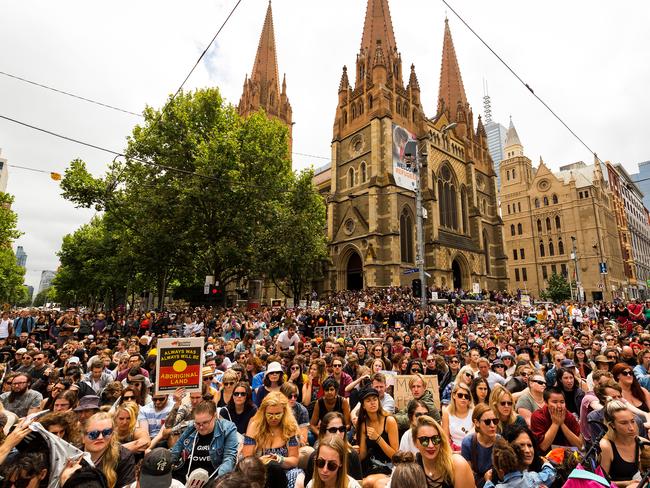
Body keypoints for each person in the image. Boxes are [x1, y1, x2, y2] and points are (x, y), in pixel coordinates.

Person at [243, 391, 304, 488]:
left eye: (278, 414)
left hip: (285, 471)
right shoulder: (255, 426)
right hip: (260, 472)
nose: (274, 418)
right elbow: (247, 459)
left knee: (298, 479)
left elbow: (294, 460)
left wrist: (280, 459)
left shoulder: (290, 427)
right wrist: (260, 461)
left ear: (284, 412)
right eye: (270, 414)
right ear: (263, 412)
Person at [170, 400, 238, 483]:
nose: (201, 427)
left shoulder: (227, 429)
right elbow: (175, 450)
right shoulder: (191, 427)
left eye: (205, 423)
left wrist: (219, 481)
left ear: (215, 417)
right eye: (198, 423)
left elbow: (229, 458)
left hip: (213, 478)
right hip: (184, 477)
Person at [412, 415, 475, 488]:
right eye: (424, 440)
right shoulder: (412, 468)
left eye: (435, 439)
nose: (431, 445)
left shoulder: (457, 465)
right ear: (415, 443)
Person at [305, 412, 363, 486]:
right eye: (333, 430)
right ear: (323, 432)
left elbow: (359, 482)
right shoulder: (314, 456)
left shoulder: (352, 455)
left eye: (342, 429)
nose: (338, 433)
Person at [356, 387, 398, 487]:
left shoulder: (389, 421)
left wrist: (378, 438)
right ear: (364, 406)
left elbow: (395, 456)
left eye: (375, 399)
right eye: (368, 400)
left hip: (388, 466)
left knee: (366, 482)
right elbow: (362, 454)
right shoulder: (364, 425)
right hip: (370, 465)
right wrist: (349, 451)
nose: (372, 403)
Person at [82, 411, 136, 488]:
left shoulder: (123, 456)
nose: (100, 437)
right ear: (83, 437)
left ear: (112, 434)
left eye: (106, 432)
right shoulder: (74, 456)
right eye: (94, 434)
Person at [599, 400, 644, 486]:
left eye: (632, 421)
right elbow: (600, 482)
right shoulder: (606, 446)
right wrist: (626, 483)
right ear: (612, 425)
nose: (631, 428)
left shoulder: (643, 443)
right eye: (624, 423)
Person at [483, 438, 555, 488]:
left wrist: (488, 481)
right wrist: (545, 463)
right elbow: (550, 475)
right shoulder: (532, 479)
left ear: (501, 471)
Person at [530, 386, 582, 451]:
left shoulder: (569, 416)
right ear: (546, 403)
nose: (559, 406)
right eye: (555, 402)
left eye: (562, 402)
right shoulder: (538, 416)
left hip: (568, 454)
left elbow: (579, 446)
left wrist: (562, 424)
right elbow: (543, 447)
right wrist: (555, 423)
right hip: (545, 456)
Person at [461, 404, 498, 488]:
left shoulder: (500, 441)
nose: (492, 425)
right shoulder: (468, 443)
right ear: (476, 423)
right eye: (487, 422)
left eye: (495, 421)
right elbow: (468, 475)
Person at [310, 378, 351, 443]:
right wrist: (320, 433)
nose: (329, 392)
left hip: (340, 432)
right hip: (324, 433)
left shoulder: (343, 401)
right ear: (323, 391)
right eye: (326, 390)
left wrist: (338, 433)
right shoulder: (319, 403)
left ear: (336, 391)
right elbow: (312, 425)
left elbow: (348, 424)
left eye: (331, 389)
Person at [442, 383, 474, 451]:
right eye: (460, 395)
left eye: (466, 396)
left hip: (471, 448)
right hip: (453, 449)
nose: (463, 398)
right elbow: (446, 437)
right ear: (454, 395)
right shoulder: (447, 412)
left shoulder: (474, 412)